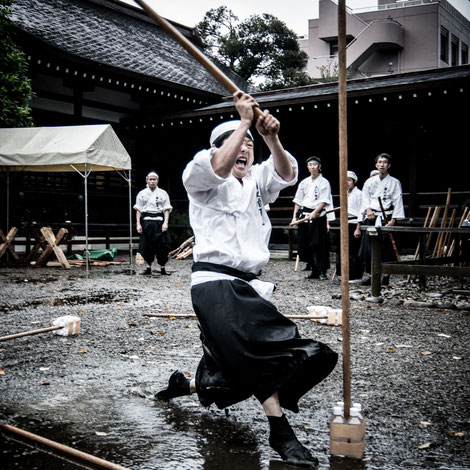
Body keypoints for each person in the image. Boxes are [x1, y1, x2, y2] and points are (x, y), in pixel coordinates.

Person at [156, 90, 338, 467]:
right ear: (216, 147)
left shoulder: (256, 179)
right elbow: (218, 166)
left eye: (249, 146)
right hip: (213, 282)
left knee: (241, 368)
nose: (244, 150)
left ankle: (187, 385)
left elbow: (287, 174)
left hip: (248, 284)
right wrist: (242, 122)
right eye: (236, 144)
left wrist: (270, 136)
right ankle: (281, 432)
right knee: (255, 353)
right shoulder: (200, 174)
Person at [354, 153, 405, 286]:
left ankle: (386, 276)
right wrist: (369, 210)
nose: (382, 165)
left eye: (385, 162)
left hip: (386, 216)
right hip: (371, 217)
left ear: (389, 165)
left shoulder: (394, 182)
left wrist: (393, 219)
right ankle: (372, 275)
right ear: (376, 165)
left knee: (386, 247)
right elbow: (364, 199)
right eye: (380, 162)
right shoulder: (369, 182)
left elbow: (398, 201)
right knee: (369, 248)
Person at [292, 156, 335, 280]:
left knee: (317, 244)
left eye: (315, 164)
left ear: (319, 166)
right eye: (310, 164)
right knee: (304, 245)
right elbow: (298, 200)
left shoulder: (324, 182)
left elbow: (324, 200)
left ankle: (321, 270)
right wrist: (294, 217)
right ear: (307, 167)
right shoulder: (304, 182)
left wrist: (315, 212)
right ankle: (314, 269)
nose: (312, 166)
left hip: (318, 216)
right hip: (304, 215)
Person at [134, 171, 172, 275]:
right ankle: (148, 267)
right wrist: (138, 223)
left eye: (154, 179)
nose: (152, 181)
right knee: (146, 245)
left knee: (163, 245)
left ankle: (163, 268)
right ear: (147, 180)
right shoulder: (142, 193)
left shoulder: (163, 193)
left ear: (157, 181)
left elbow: (166, 209)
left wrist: (166, 223)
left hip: (159, 222)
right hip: (146, 222)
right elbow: (139, 210)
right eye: (150, 179)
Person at [335, 170, 363, 280]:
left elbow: (361, 211)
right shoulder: (344, 193)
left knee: (353, 250)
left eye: (349, 180)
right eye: (345, 180)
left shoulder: (359, 194)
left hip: (354, 223)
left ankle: (355, 275)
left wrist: (358, 228)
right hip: (344, 223)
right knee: (341, 248)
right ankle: (342, 273)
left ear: (354, 181)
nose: (347, 182)